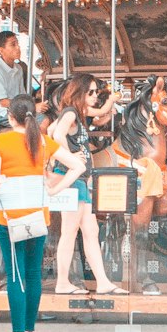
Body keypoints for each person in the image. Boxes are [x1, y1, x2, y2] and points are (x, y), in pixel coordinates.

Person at [0, 94, 85, 332]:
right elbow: (78, 166)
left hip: (10, 216)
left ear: (10, 117)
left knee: (15, 274)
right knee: (33, 274)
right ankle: (29, 331)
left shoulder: (1, 141)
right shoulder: (42, 141)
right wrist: (54, 190)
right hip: (39, 216)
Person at [48, 74, 124, 296]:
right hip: (74, 180)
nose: (93, 97)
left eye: (95, 93)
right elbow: (57, 134)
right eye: (90, 92)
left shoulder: (77, 113)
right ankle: (63, 282)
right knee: (70, 231)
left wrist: (109, 100)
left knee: (90, 230)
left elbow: (52, 130)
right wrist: (70, 156)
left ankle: (102, 281)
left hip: (79, 180)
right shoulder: (71, 112)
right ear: (78, 92)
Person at [0, 31, 27, 126]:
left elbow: (22, 96)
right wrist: (31, 107)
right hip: (1, 114)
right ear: (1, 50)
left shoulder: (18, 68)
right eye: (13, 45)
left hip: (17, 110)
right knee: (34, 122)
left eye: (17, 44)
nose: (18, 48)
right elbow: (3, 102)